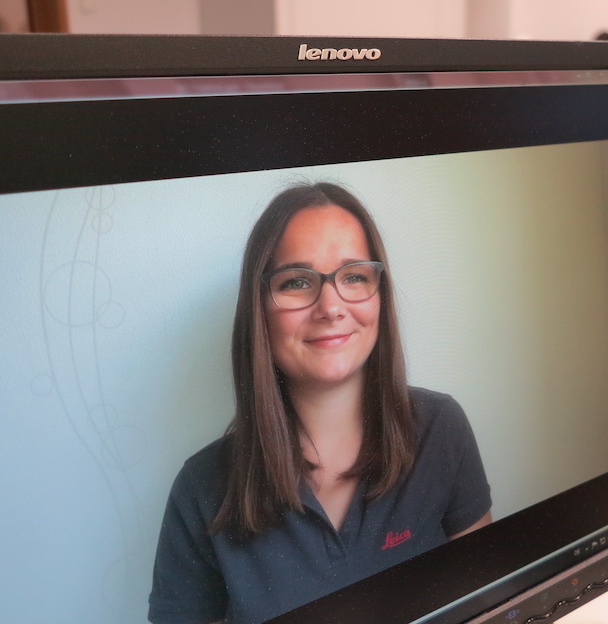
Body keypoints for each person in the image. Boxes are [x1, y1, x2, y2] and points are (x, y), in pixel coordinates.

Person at [149, 182, 492, 624]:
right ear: (260, 310)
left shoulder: (440, 429)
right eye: (296, 281)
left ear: (379, 295)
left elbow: (489, 604)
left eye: (354, 276)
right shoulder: (201, 489)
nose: (330, 306)